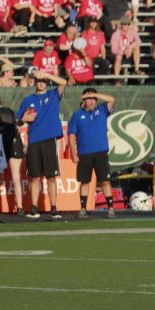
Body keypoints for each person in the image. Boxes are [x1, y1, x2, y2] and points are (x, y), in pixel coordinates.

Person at [17, 70, 67, 220]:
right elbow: (19, 121)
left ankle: (53, 207)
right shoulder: (27, 100)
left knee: (51, 177)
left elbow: (64, 83)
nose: (41, 82)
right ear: (33, 81)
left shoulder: (52, 95)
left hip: (49, 140)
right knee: (35, 177)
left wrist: (45, 74)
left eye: (43, 80)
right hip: (34, 141)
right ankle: (34, 208)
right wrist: (24, 118)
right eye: (38, 80)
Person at [68, 89, 116, 219]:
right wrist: (73, 152)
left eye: (93, 98)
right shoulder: (77, 115)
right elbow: (71, 135)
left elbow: (112, 99)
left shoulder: (101, 110)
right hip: (84, 153)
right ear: (83, 101)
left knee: (105, 181)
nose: (91, 101)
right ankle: (82, 208)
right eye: (88, 98)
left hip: (101, 152)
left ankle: (110, 208)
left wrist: (94, 94)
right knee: (85, 181)